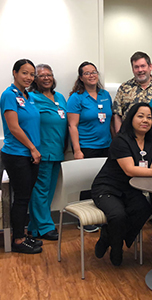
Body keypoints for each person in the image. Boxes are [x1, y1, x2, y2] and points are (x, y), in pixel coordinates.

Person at [91, 103, 152, 266]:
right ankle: (116, 248)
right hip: (107, 187)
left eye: (149, 117)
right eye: (140, 116)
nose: (145, 120)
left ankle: (108, 235)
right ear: (131, 118)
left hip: (129, 189)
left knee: (144, 209)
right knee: (117, 215)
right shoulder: (121, 140)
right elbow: (129, 170)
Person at [0, 59, 42, 254]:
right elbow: (14, 127)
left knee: (25, 196)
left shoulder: (28, 96)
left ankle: (22, 235)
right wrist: (33, 148)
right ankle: (18, 240)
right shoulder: (9, 95)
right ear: (15, 73)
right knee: (21, 198)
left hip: (29, 154)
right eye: (24, 73)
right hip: (18, 154)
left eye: (32, 74)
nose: (29, 77)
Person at [67, 61, 112, 232]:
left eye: (94, 72)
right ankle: (85, 220)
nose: (92, 75)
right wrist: (77, 150)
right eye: (87, 73)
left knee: (104, 182)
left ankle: (102, 214)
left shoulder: (105, 95)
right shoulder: (76, 97)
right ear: (81, 78)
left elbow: (109, 120)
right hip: (86, 147)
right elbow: (72, 126)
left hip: (106, 146)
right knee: (87, 183)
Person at [27, 64, 67, 241]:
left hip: (58, 150)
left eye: (49, 75)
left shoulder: (60, 97)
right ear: (35, 79)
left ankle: (34, 228)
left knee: (49, 190)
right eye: (41, 75)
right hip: (41, 151)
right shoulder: (31, 97)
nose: (46, 78)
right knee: (41, 189)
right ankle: (45, 226)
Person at [112, 51, 152, 132]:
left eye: (143, 66)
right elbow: (117, 114)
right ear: (133, 69)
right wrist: (119, 137)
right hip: (129, 138)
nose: (140, 70)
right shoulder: (124, 88)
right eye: (136, 67)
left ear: (150, 67)